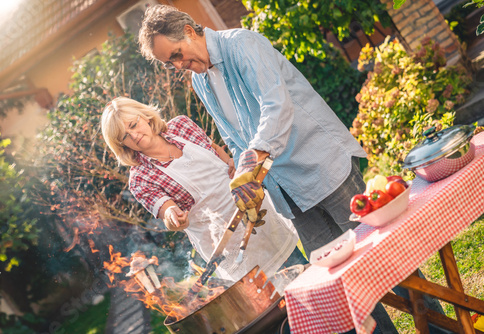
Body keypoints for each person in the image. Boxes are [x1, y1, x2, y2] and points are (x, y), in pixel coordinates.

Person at [137, 5, 452, 334]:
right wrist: (246, 180)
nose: (177, 65)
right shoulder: (202, 83)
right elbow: (232, 138)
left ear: (189, 31)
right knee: (343, 287)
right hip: (287, 194)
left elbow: (275, 104)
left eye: (176, 54)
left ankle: (445, 331)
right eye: (169, 62)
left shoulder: (241, 44)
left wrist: (254, 156)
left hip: (322, 166)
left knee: (387, 264)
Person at [100, 97, 301, 282]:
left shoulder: (181, 125)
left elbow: (212, 148)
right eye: (125, 136)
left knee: (301, 270)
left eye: (133, 125)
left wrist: (231, 162)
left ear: (144, 116)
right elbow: (167, 211)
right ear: (121, 145)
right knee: (268, 296)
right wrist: (174, 216)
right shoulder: (139, 178)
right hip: (226, 243)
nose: (134, 136)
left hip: (256, 212)